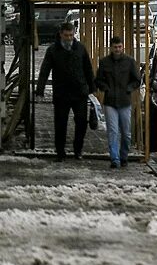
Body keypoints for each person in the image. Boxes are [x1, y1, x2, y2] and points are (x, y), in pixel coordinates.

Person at [34, 22, 96, 162]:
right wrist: (40, 90)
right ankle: (60, 152)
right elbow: (44, 70)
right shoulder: (53, 50)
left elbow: (88, 69)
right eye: (66, 35)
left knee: (81, 122)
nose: (69, 38)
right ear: (61, 34)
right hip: (61, 93)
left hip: (79, 92)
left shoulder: (80, 48)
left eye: (71, 35)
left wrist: (92, 88)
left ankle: (78, 150)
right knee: (60, 123)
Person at [95, 35, 142, 169]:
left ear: (123, 47)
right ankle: (114, 158)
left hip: (125, 101)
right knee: (113, 131)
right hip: (110, 102)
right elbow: (98, 79)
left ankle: (124, 156)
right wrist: (105, 88)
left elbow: (137, 80)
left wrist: (129, 88)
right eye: (115, 47)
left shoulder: (129, 62)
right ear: (111, 48)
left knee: (126, 133)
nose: (117, 49)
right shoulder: (104, 62)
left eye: (119, 47)